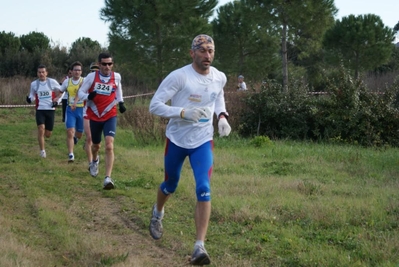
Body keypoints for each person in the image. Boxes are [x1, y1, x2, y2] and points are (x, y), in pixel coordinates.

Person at [148, 34, 231, 266]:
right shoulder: (179, 76)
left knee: (204, 188)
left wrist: (222, 116)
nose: (207, 55)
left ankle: (199, 246)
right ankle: (157, 213)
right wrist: (182, 112)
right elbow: (154, 105)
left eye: (211, 51)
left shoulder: (219, 77)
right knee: (171, 184)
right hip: (177, 139)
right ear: (192, 52)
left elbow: (218, 96)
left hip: (203, 141)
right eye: (203, 51)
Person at [78, 52, 126, 190]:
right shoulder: (91, 77)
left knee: (109, 145)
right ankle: (94, 161)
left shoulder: (116, 76)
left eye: (109, 64)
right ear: (99, 64)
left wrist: (121, 102)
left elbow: (118, 90)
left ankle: (107, 178)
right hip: (95, 115)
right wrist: (88, 96)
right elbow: (80, 93)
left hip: (110, 114)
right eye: (104, 64)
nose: (107, 66)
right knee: (96, 146)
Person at [26, 64, 61, 158]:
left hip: (50, 110)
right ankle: (42, 151)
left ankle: (46, 134)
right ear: (37, 73)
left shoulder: (52, 82)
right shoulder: (34, 84)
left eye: (43, 72)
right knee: (41, 129)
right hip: (40, 110)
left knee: (48, 134)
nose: (41, 74)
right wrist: (30, 99)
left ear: (46, 73)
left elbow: (63, 91)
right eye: (39, 72)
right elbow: (32, 95)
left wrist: (57, 100)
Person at [54, 61, 85, 162]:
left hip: (82, 110)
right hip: (70, 110)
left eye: (79, 70)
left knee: (79, 134)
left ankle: (76, 138)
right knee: (70, 131)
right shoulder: (67, 82)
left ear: (81, 72)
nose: (77, 72)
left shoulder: (84, 81)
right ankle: (71, 154)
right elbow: (61, 92)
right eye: (75, 70)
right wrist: (56, 98)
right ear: (71, 71)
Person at [81, 62, 101, 171]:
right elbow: (80, 94)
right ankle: (91, 164)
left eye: (97, 70)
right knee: (89, 138)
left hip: (101, 114)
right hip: (87, 111)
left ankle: (95, 157)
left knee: (96, 142)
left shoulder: (105, 81)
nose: (95, 72)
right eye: (93, 70)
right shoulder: (86, 80)